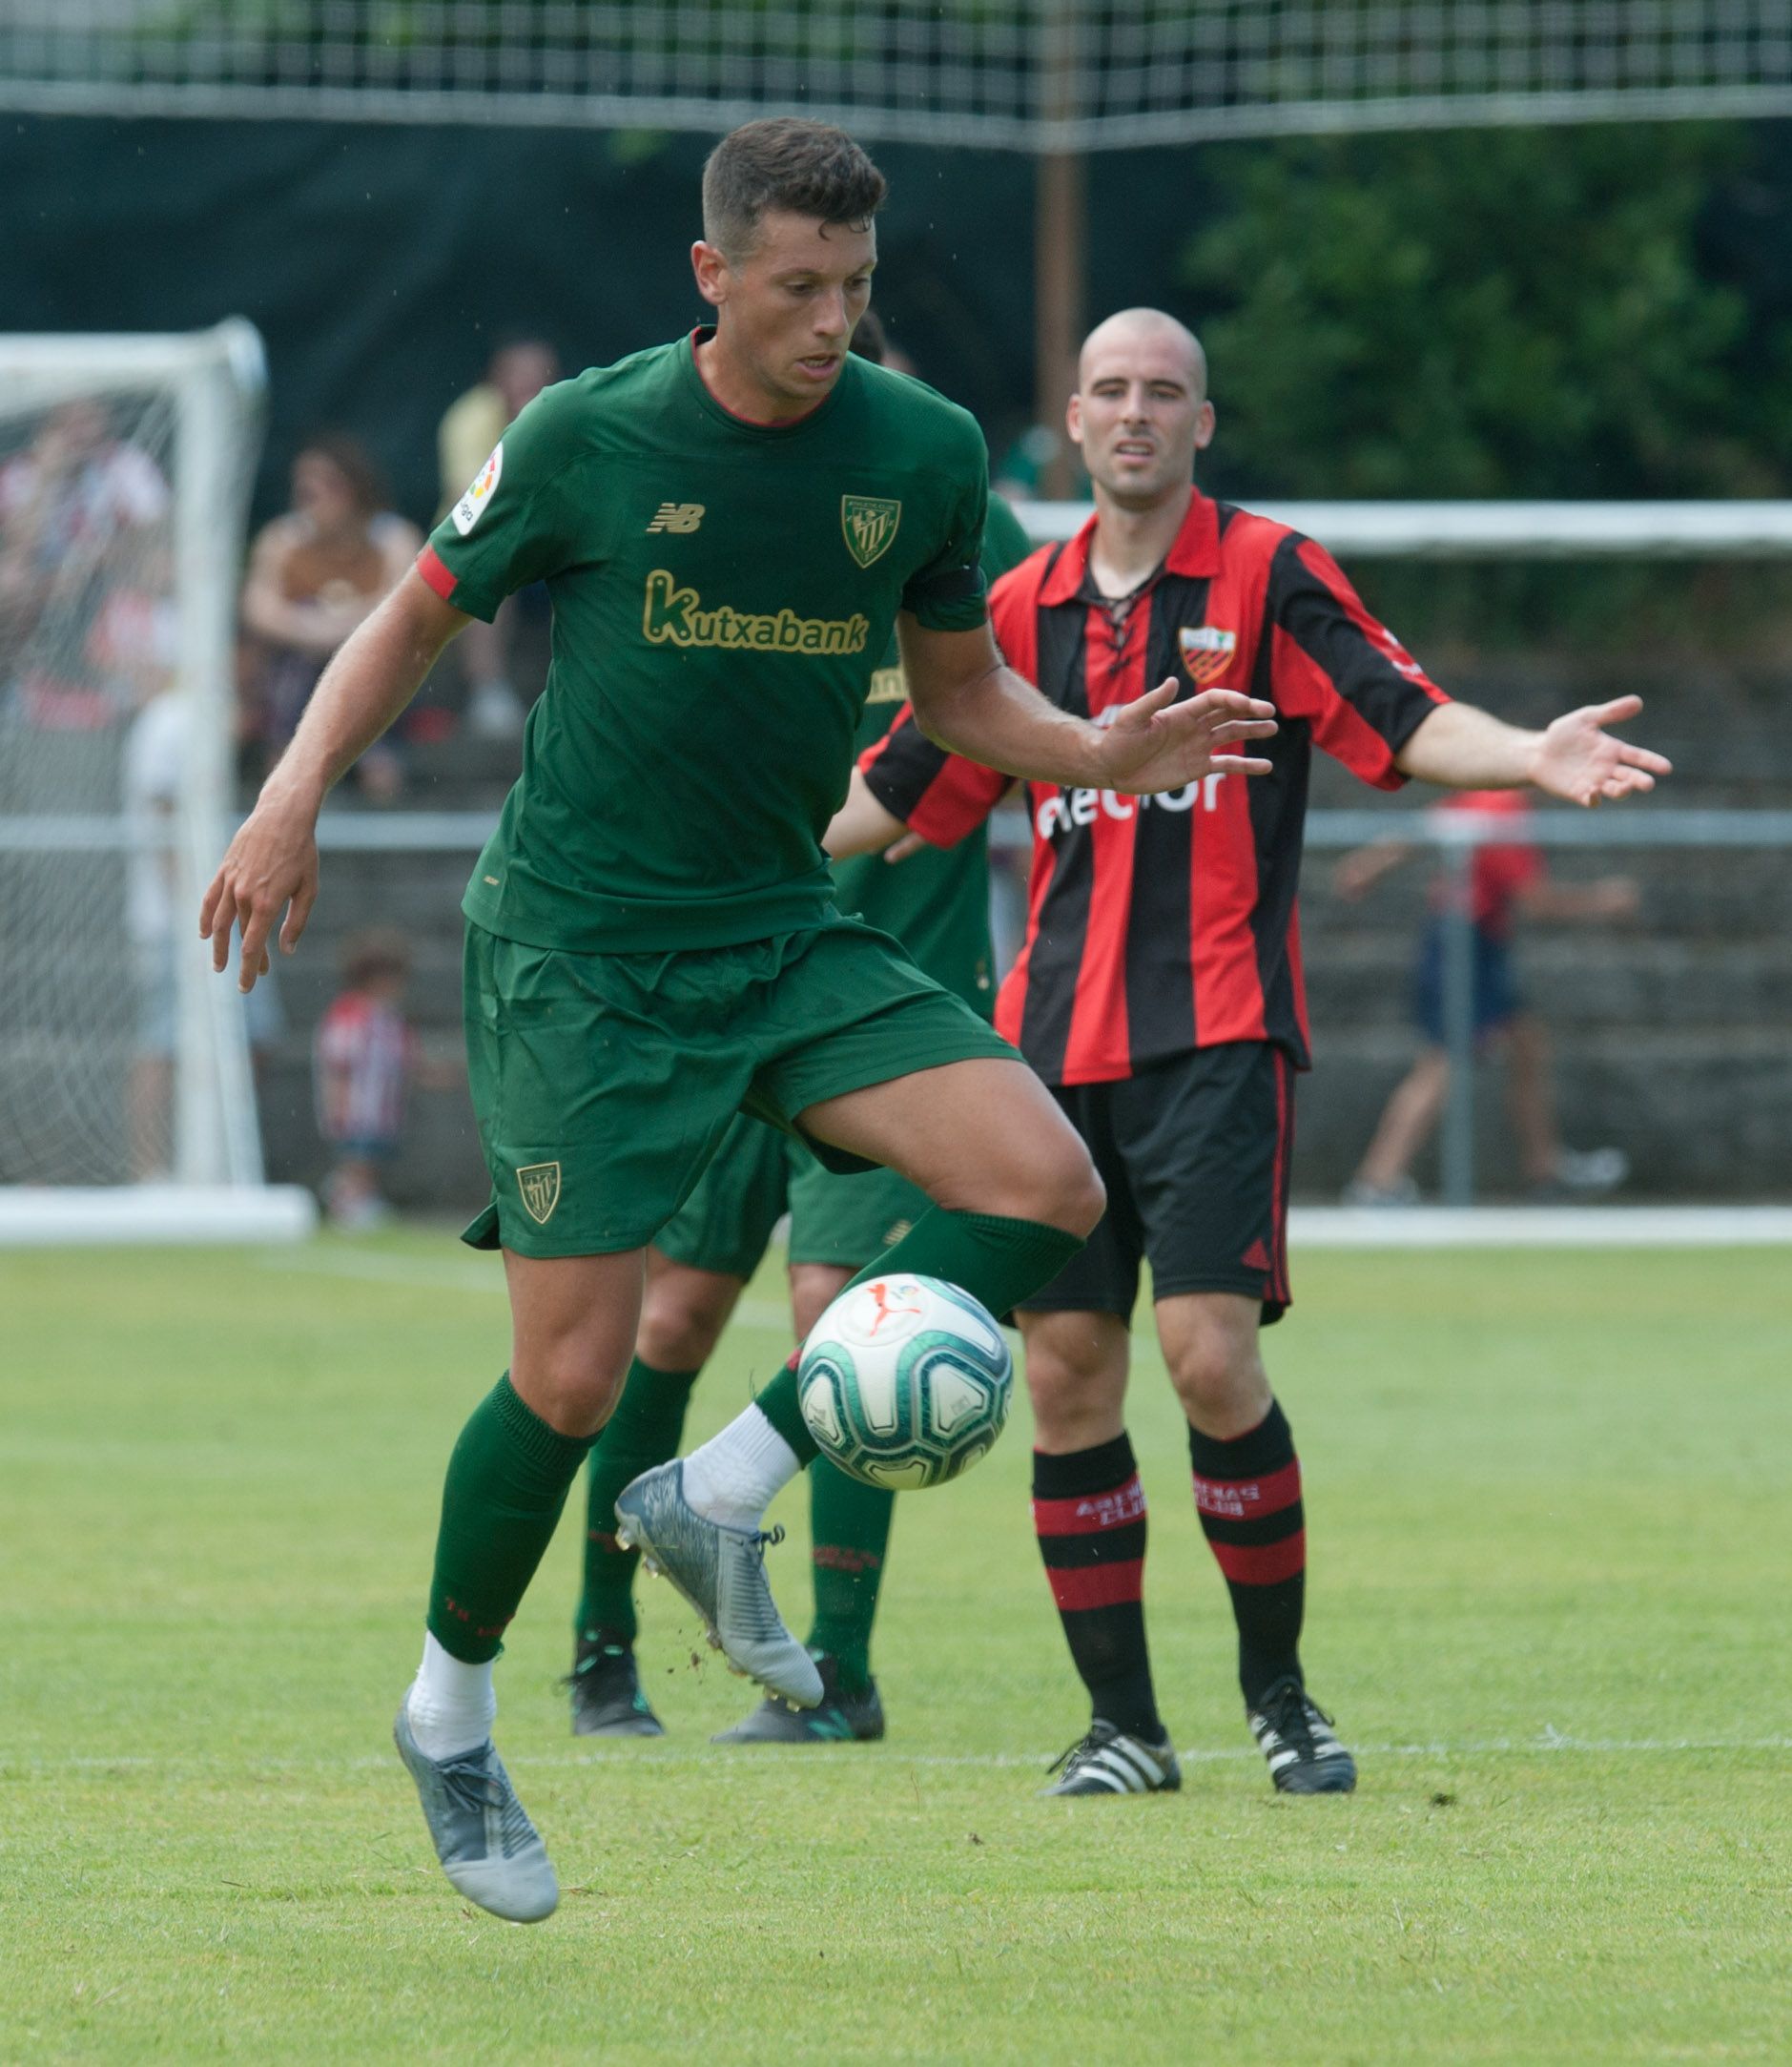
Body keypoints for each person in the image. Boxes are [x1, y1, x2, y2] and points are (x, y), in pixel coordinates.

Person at [200, 122, 1281, 1925]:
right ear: (710, 278)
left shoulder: (918, 453)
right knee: (568, 1373)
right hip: (575, 952)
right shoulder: (587, 435)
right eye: (796, 291)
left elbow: (959, 693)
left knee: (1042, 1180)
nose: (830, 323)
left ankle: (728, 1479)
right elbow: (404, 621)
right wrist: (292, 789)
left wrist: (1092, 749)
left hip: (778, 930)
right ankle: (447, 1711)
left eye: (854, 290)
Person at [828, 306, 1670, 1800]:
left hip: (1216, 1029)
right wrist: (692, 826)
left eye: (1163, 392)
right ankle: (1122, 1729)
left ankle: (1278, 1697)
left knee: (1206, 1357)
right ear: (1070, 425)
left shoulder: (1266, 573)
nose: (1135, 413)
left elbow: (1400, 718)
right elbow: (893, 794)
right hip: (1049, 1055)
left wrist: (1526, 751)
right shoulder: (1009, 609)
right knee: (1072, 1377)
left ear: (1201, 424)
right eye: (1108, 392)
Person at [568, 310, 1036, 1746]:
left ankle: (835, 1669)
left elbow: (1024, 715)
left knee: (844, 1308)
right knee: (664, 1314)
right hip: (712, 987)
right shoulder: (728, 516)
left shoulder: (972, 527)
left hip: (880, 999)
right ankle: (601, 1647)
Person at [1337, 791, 1639, 1203]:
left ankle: (1545, 1168)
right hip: (1466, 943)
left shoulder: (1483, 798)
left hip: (1471, 940)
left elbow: (1420, 831)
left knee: (1526, 1043)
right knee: (1443, 1060)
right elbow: (1535, 901)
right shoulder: (1502, 809)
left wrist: (1368, 864)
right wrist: (1602, 901)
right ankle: (1377, 1180)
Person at [238, 436, 421, 796]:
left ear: (353, 488)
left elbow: (405, 607)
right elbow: (258, 610)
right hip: (296, 675)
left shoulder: (393, 539)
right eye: (304, 487)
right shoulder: (281, 540)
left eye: (325, 484)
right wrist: (326, 629)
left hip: (371, 674)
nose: (311, 495)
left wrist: (328, 629)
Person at [436, 338, 562, 739]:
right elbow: (471, 501)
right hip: (487, 540)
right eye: (519, 377)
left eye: (540, 377)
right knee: (490, 564)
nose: (531, 386)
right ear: (496, 380)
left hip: (552, 541)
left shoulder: (568, 411)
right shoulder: (468, 418)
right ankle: (487, 688)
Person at [313, 928, 441, 1229]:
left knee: (371, 1159)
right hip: (357, 1107)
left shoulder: (392, 1019)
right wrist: (338, 1104)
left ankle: (358, 1199)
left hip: (383, 1109)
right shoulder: (349, 1015)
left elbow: (408, 1059)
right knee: (357, 1159)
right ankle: (346, 1200)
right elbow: (338, 1061)